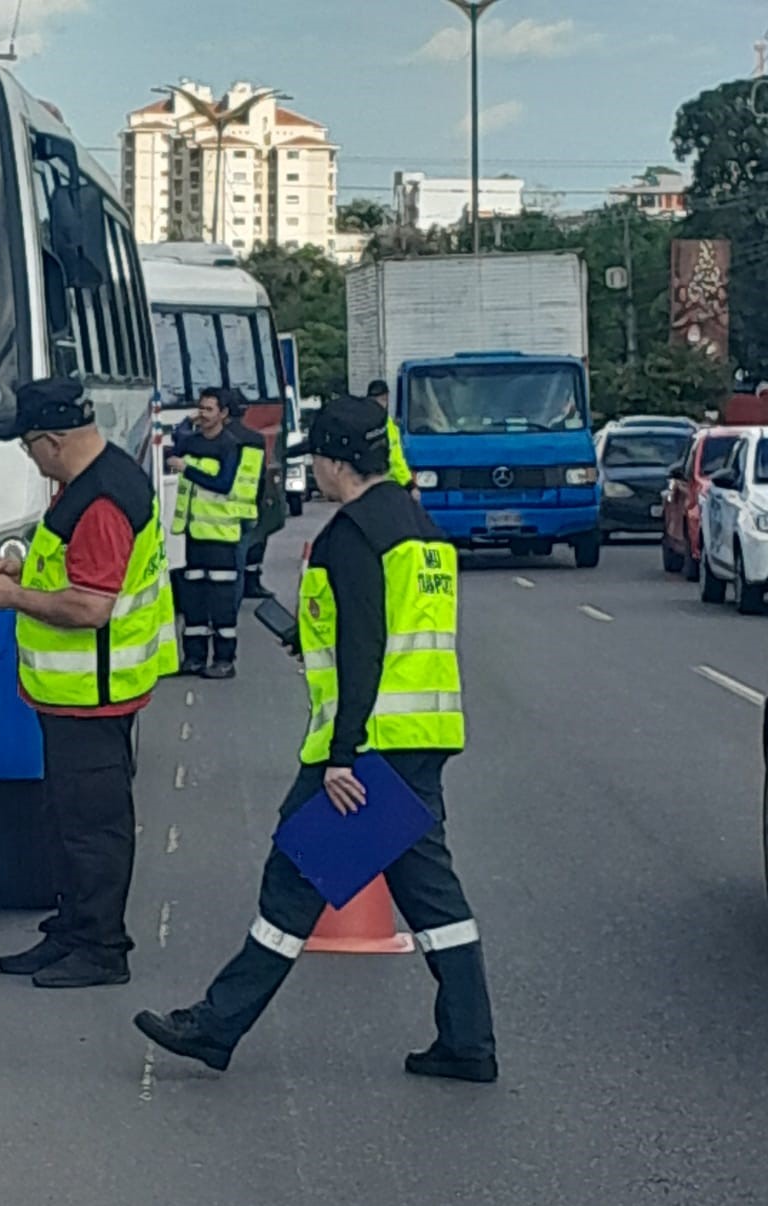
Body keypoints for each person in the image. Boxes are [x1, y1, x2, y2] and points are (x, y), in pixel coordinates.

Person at [134, 395, 498, 1083]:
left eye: (318, 462)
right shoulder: (416, 524)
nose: (317, 475)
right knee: (432, 899)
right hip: (424, 733)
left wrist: (340, 757)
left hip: (368, 746)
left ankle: (216, 1026)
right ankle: (468, 1042)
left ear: (334, 461)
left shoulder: (352, 535)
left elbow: (363, 650)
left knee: (293, 880)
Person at [0, 379, 178, 990]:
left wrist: (12, 596)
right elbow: (70, 568)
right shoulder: (89, 484)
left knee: (94, 828)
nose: (27, 456)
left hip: (95, 692)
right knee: (65, 819)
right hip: (75, 693)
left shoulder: (102, 502)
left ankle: (101, 947)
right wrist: (23, 567)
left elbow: (91, 606)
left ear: (53, 439)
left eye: (27, 445)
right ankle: (71, 930)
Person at [166, 387, 259, 680]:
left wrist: (187, 469)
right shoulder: (191, 441)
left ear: (223, 414)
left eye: (209, 410)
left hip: (222, 537)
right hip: (194, 535)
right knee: (193, 600)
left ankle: (223, 660)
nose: (203, 415)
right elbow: (175, 443)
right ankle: (193, 657)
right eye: (201, 409)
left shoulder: (229, 445)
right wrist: (185, 424)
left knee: (220, 602)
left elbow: (223, 483)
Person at [225, 389, 271, 603]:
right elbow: (260, 479)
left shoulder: (211, 439)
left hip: (211, 512)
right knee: (237, 566)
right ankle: (230, 615)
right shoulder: (255, 439)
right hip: (244, 511)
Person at [368, 379, 414, 491]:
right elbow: (395, 459)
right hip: (387, 486)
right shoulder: (388, 426)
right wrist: (409, 484)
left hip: (365, 487)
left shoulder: (358, 422)